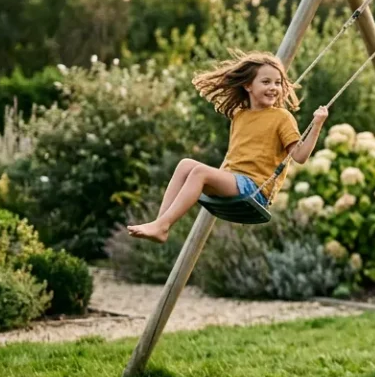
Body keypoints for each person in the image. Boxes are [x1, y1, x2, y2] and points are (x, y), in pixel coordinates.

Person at [127, 51, 327, 243]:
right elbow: (234, 156)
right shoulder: (240, 116)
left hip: (255, 188)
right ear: (248, 85)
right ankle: (161, 225)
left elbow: (300, 156)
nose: (273, 87)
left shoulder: (282, 118)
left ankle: (162, 225)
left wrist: (316, 124)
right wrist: (220, 175)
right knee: (185, 164)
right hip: (234, 180)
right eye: (266, 82)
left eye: (278, 83)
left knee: (198, 172)